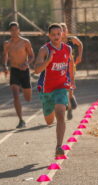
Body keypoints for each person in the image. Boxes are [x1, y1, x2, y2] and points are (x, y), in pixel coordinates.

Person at [34, 23, 74, 157]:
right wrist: (48, 61)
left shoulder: (67, 49)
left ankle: (59, 146)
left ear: (62, 34)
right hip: (46, 89)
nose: (56, 37)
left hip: (61, 87)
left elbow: (70, 65)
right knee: (49, 121)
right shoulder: (44, 50)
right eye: (53, 34)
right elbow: (36, 70)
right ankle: (47, 109)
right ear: (49, 36)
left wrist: (72, 81)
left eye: (59, 34)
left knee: (61, 115)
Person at [3, 22, 35, 128]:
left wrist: (27, 63)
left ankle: (23, 88)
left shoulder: (26, 42)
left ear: (19, 30)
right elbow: (5, 56)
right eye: (12, 30)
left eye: (16, 29)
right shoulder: (7, 43)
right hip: (14, 70)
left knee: (28, 98)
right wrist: (5, 66)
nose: (14, 31)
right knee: (15, 96)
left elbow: (31, 56)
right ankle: (21, 120)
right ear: (10, 31)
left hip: (24, 71)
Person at [59, 23, 83, 120]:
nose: (63, 32)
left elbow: (80, 44)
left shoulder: (71, 39)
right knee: (63, 88)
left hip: (71, 66)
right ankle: (69, 101)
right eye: (61, 30)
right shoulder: (56, 41)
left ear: (67, 31)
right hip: (60, 67)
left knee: (70, 88)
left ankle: (69, 106)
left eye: (64, 29)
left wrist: (79, 55)